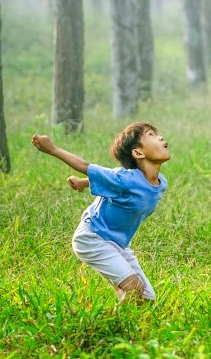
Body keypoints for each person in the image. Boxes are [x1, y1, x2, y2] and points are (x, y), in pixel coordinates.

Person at [31, 122, 171, 301]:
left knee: (146, 298)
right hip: (93, 238)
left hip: (118, 244)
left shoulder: (160, 182)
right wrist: (52, 149)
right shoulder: (125, 178)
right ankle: (106, 326)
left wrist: (83, 182)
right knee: (134, 290)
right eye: (151, 135)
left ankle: (124, 312)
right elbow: (86, 166)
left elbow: (112, 182)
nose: (160, 137)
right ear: (138, 153)